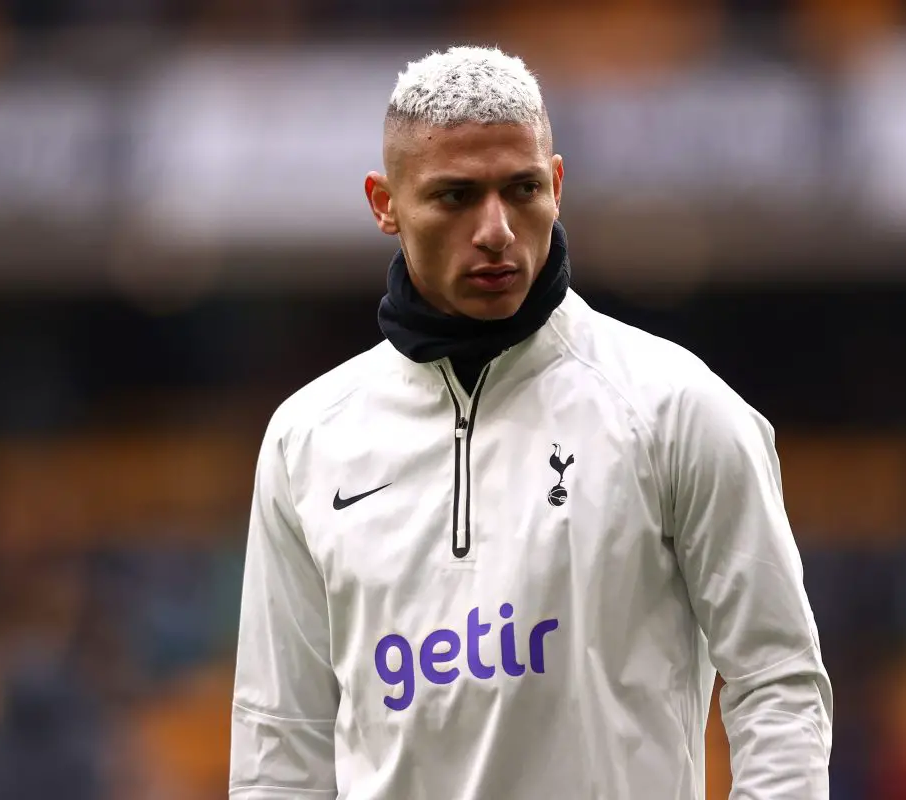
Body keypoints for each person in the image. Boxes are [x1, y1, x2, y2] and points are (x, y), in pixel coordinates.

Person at [230, 45, 832, 799]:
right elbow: (281, 737)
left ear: (556, 183)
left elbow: (777, 680)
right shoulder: (308, 439)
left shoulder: (677, 406)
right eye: (455, 197)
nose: (496, 230)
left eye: (520, 190)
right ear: (384, 203)